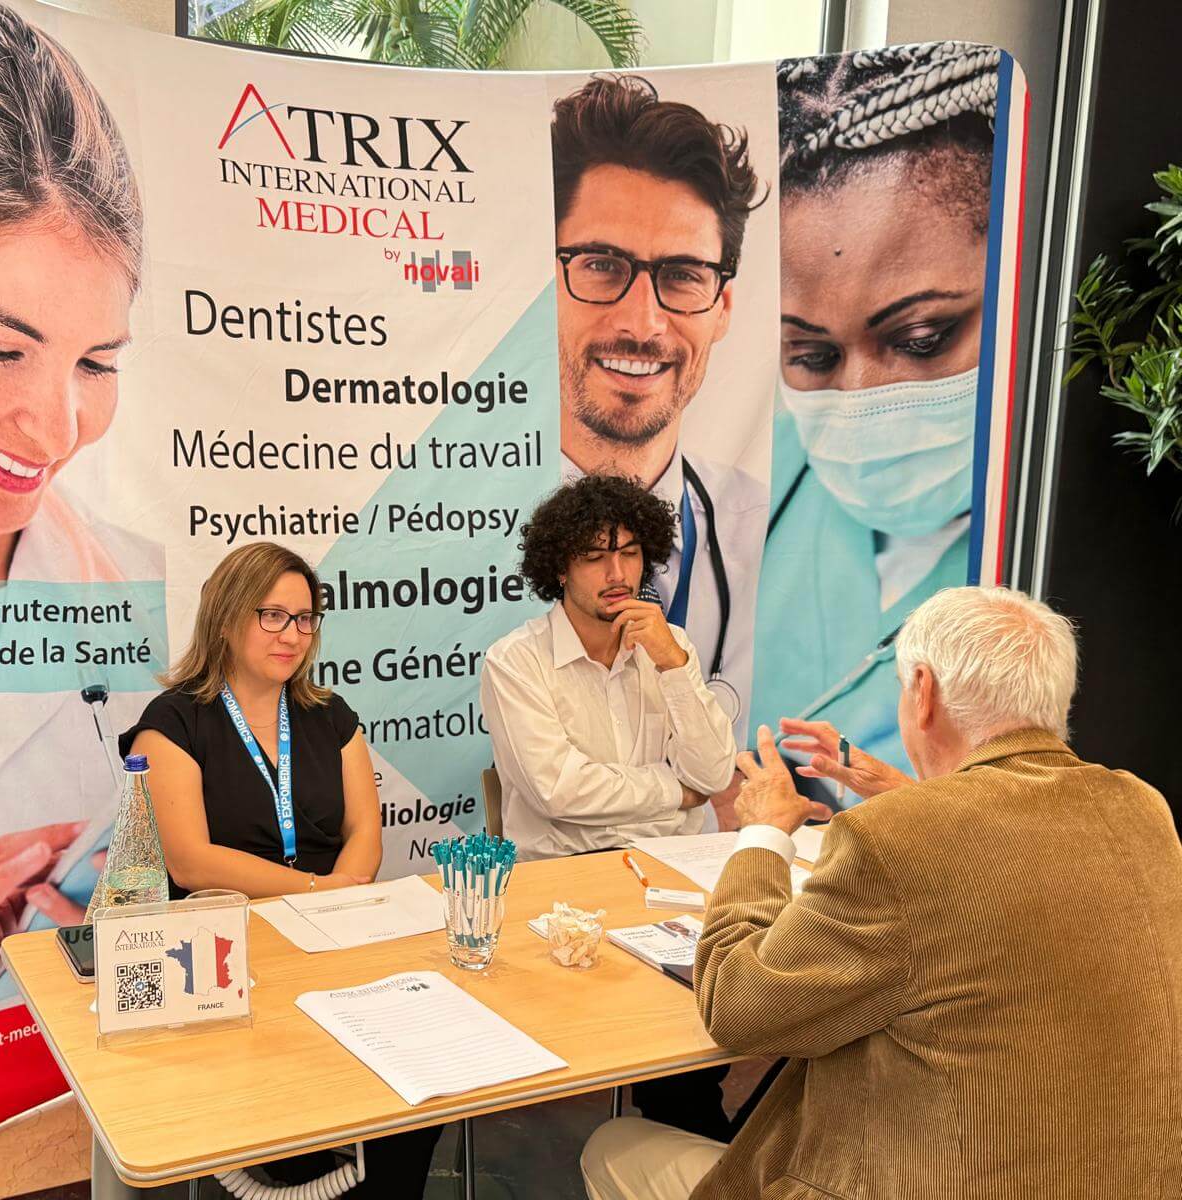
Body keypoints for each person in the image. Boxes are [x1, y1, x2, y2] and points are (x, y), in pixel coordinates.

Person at [581, 587, 1182, 1200]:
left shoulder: (895, 839)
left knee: (615, 1146)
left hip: (923, 1177)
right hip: (1123, 1178)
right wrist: (899, 790)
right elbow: (1008, 849)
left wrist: (760, 832)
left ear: (923, 691)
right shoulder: (1141, 808)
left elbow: (737, 1010)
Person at [0, 0, 165, 1033]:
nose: (57, 428)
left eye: (96, 363)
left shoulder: (143, 591)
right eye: (1, 347)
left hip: (97, 1093)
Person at [120, 542, 440, 1196]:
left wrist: (340, 899)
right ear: (226, 617)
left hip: (335, 937)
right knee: (304, 1111)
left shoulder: (329, 715)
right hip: (232, 952)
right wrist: (318, 891)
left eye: (304, 618)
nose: (292, 635)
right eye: (272, 616)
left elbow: (364, 834)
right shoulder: (173, 722)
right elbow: (191, 860)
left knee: (420, 1080)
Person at [751, 43, 1001, 799]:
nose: (860, 397)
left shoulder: (1061, 538)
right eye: (811, 354)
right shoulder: (747, 485)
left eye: (921, 339)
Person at [551, 75, 769, 730]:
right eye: (601, 264)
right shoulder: (451, 533)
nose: (643, 324)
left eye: (681, 275)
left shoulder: (769, 541)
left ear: (722, 307)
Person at [482, 474, 737, 863]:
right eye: (594, 557)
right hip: (568, 867)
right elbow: (558, 791)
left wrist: (673, 666)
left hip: (674, 858)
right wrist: (675, 792)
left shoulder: (671, 646)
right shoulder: (516, 661)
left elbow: (713, 776)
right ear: (561, 569)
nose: (617, 574)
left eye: (630, 554)